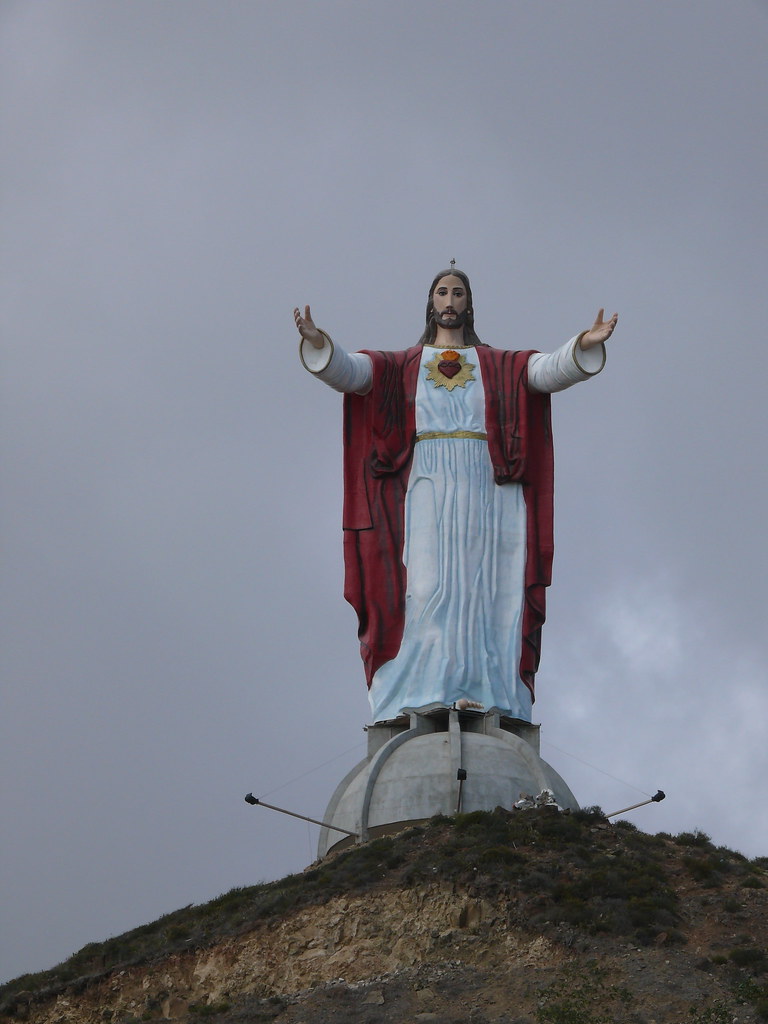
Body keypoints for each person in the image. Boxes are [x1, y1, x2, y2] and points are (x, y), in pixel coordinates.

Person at [294, 268, 617, 724]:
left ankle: (483, 689)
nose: (450, 300)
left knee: (487, 587)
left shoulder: (497, 364)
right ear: (430, 302)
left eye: (458, 292)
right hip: (425, 479)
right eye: (442, 292)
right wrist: (318, 343)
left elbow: (544, 371)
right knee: (425, 584)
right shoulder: (402, 363)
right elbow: (352, 372)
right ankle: (423, 687)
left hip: (486, 481)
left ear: (469, 303)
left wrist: (582, 344)